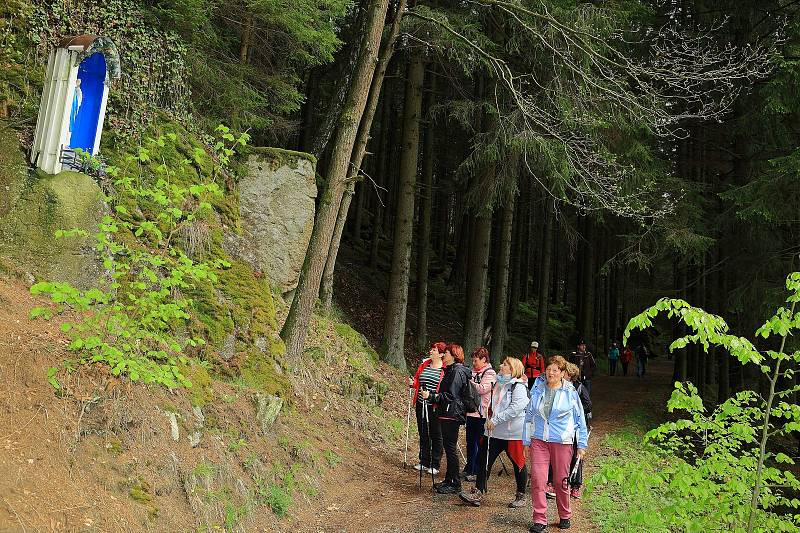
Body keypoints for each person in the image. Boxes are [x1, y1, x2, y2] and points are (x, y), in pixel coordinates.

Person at [523, 355, 589, 532]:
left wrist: (581, 444)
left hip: (562, 441)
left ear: (562, 373)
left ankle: (565, 514)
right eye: (549, 369)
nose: (550, 373)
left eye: (555, 370)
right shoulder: (538, 388)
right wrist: (526, 441)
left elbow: (580, 420)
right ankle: (539, 519)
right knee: (538, 479)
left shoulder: (570, 392)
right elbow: (529, 416)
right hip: (539, 440)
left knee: (560, 481)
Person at [459, 357, 529, 508]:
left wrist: (496, 420)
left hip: (513, 433)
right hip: (493, 431)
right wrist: (488, 419)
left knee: (518, 463)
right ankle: (478, 492)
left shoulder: (519, 386)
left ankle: (521, 495)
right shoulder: (499, 382)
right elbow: (493, 405)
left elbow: (516, 408)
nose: (501, 366)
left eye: (505, 365)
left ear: (512, 369)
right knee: (483, 460)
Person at [421, 343, 473, 494]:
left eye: (447, 353)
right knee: (448, 446)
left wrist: (432, 396)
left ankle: (455, 483)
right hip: (447, 412)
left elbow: (450, 395)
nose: (444, 355)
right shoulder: (451, 370)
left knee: (450, 448)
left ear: (453, 355)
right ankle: (449, 479)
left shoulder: (456, 371)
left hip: (452, 414)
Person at [408, 342, 446, 474]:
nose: (431, 351)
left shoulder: (445, 369)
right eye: (431, 349)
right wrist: (414, 383)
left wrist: (432, 396)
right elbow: (418, 380)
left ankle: (435, 464)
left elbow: (444, 388)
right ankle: (424, 461)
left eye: (434, 350)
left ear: (441, 354)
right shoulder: (424, 364)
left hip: (435, 405)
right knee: (423, 431)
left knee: (436, 433)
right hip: (420, 403)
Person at [464, 347, 496, 481]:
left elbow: (482, 389)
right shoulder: (472, 371)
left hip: (482, 414)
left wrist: (468, 382)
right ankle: (469, 468)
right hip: (471, 412)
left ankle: (476, 470)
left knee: (478, 443)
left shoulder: (490, 374)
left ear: (484, 359)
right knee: (470, 443)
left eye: (476, 360)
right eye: (472, 360)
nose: (474, 363)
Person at [565, 363, 591, 499]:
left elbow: (588, 404)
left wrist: (575, 413)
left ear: (569, 375)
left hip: (576, 428)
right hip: (564, 429)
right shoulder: (558, 387)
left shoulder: (579, 387)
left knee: (577, 456)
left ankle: (576, 486)